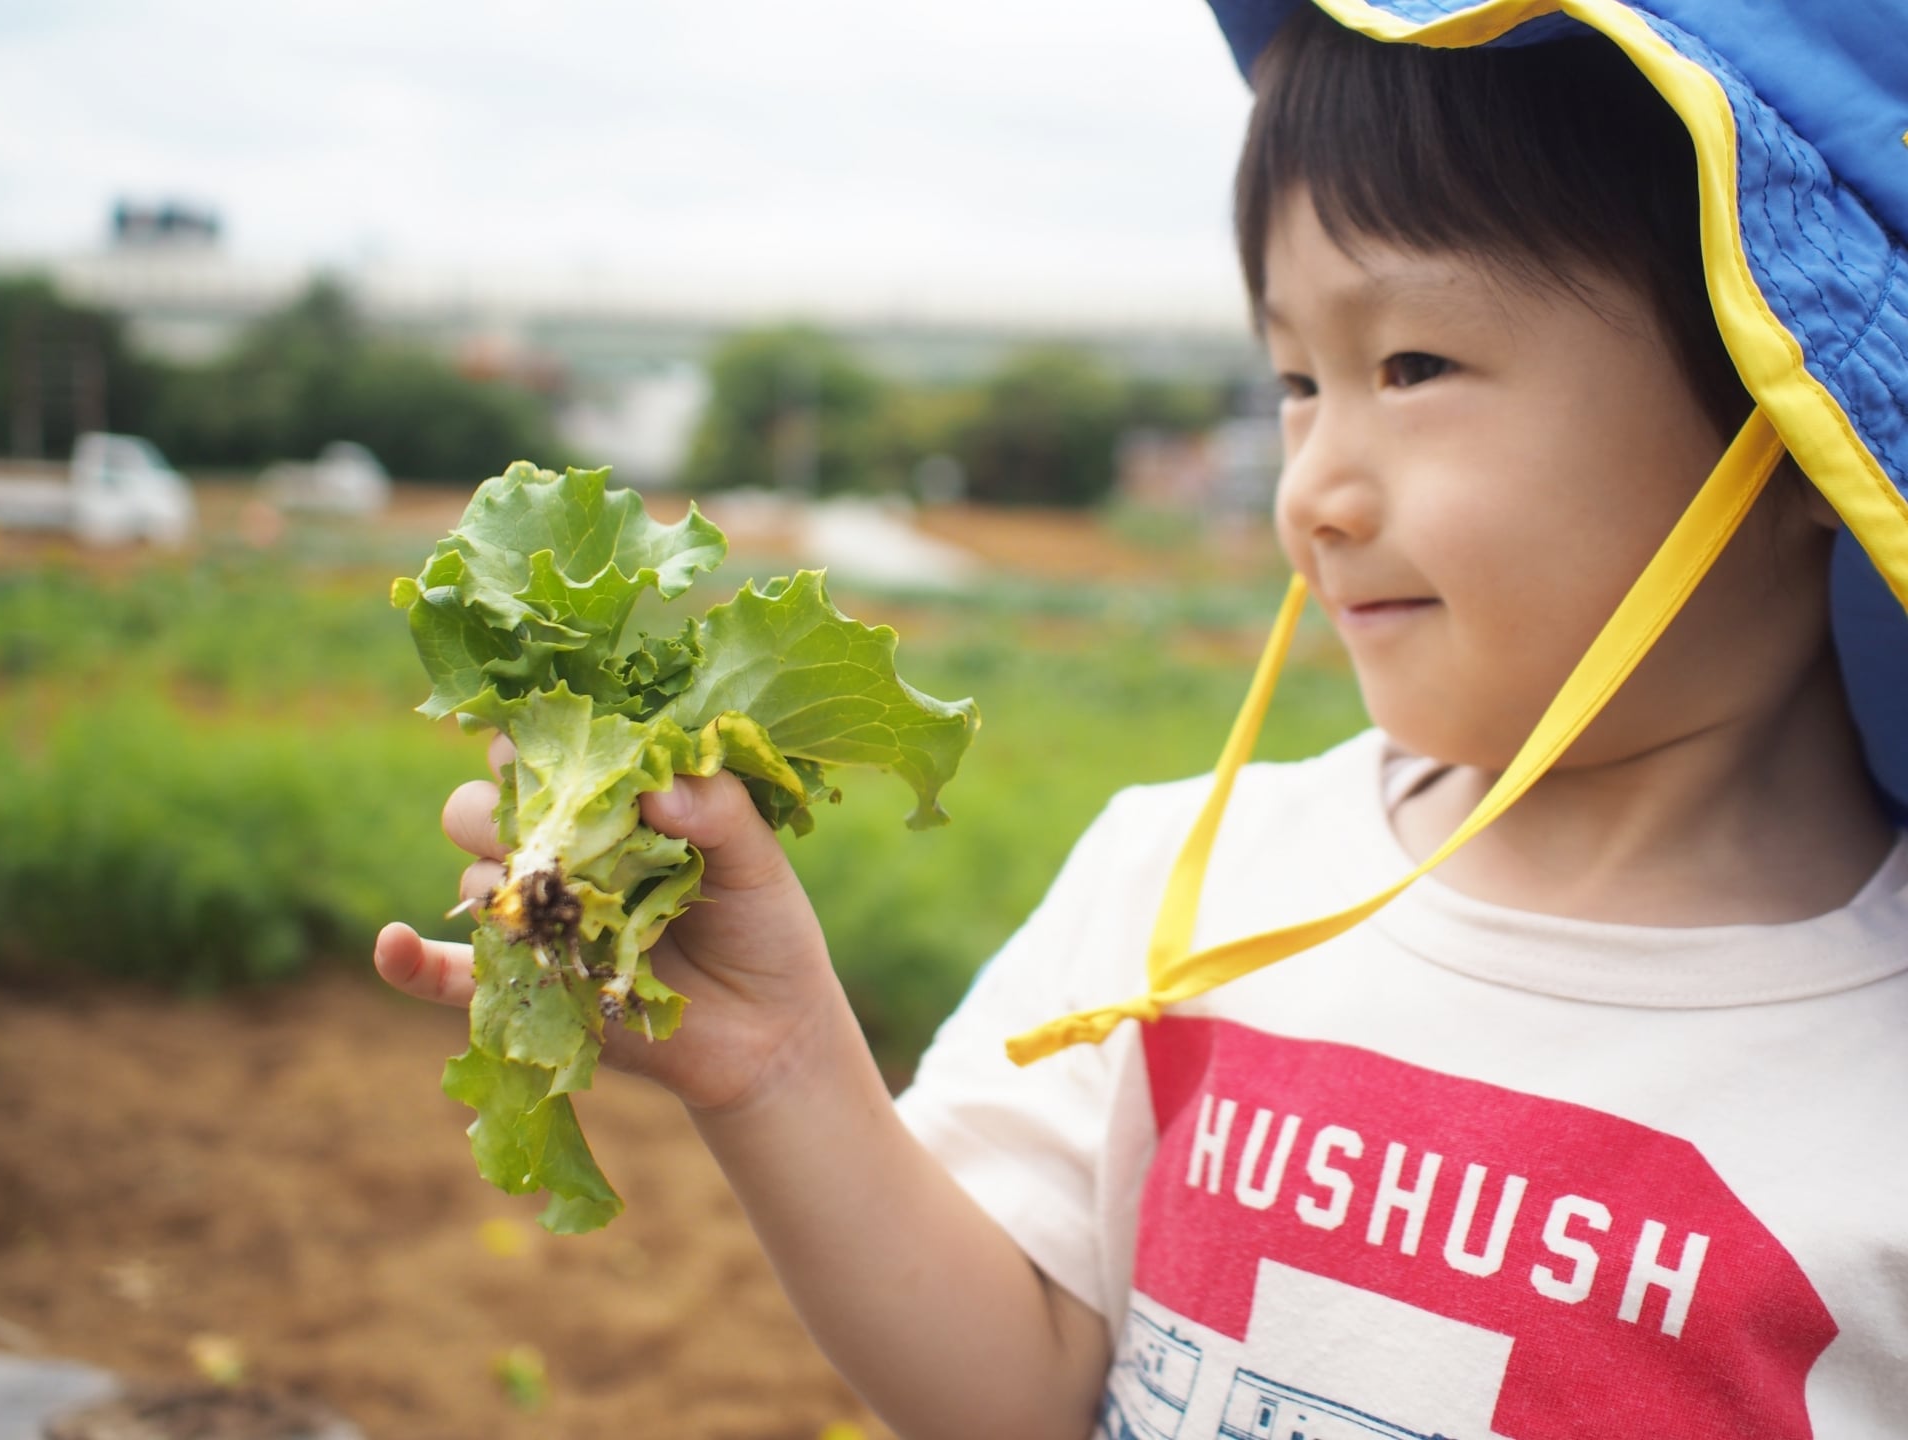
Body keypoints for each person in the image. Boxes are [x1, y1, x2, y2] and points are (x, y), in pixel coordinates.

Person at [375, 3, 1908, 1435]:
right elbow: (1029, 1378)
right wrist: (783, 1070)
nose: (1312, 490)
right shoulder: (1184, 874)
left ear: (1802, 417)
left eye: (1414, 364)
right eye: (1299, 381)